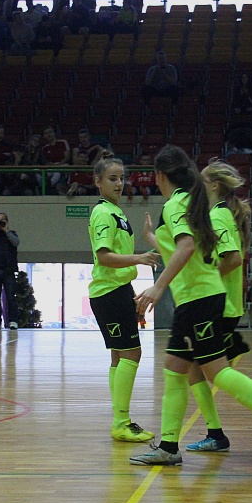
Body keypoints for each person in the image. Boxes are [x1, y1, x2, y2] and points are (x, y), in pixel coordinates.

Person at [130, 145, 252, 466]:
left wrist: (157, 286)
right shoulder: (192, 203)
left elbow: (185, 245)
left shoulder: (175, 206)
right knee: (175, 369)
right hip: (199, 298)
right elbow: (188, 248)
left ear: (158, 176)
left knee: (217, 372)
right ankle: (169, 446)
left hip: (198, 299)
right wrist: (155, 240)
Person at [177, 160, 252, 454]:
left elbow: (233, 259)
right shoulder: (222, 215)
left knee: (211, 372)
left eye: (201, 183)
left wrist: (204, 279)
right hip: (225, 307)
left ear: (214, 186)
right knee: (194, 370)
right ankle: (215, 433)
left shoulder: (218, 217)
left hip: (220, 307)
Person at [87, 153, 162, 442]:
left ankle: (121, 419)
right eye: (112, 178)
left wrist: (130, 296)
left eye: (121, 178)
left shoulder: (115, 211)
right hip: (107, 294)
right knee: (132, 353)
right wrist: (140, 257)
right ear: (98, 182)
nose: (119, 183)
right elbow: (104, 257)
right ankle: (121, 421)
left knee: (119, 356)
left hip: (117, 292)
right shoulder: (103, 213)